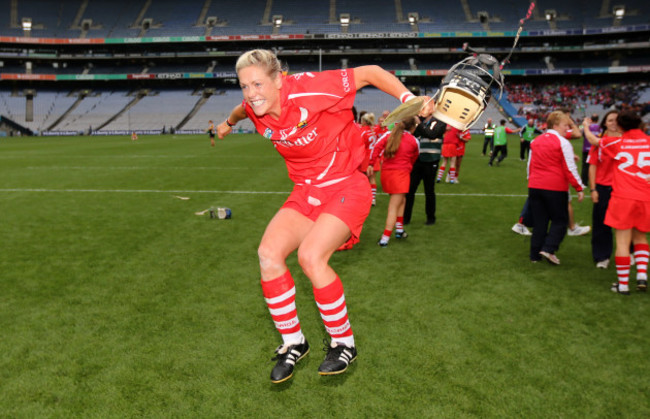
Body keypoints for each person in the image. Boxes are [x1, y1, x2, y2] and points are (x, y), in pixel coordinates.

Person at [216, 49, 434, 383]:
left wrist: (408, 97)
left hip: (347, 184)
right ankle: (293, 342)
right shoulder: (253, 107)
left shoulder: (308, 88)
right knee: (268, 254)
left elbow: (369, 71)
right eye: (244, 85)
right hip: (306, 191)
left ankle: (344, 342)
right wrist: (227, 124)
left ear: (279, 79)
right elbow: (241, 110)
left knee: (311, 257)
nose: (251, 93)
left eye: (258, 84)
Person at [583, 110, 650, 295]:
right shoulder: (648, 141)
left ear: (620, 126)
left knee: (622, 241)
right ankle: (642, 277)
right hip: (645, 197)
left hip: (623, 197)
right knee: (640, 237)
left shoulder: (616, 142)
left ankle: (623, 285)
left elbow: (593, 140)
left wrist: (586, 127)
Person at [527, 111, 585, 264]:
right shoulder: (563, 142)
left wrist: (531, 180)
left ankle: (535, 255)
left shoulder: (535, 141)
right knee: (560, 220)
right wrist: (579, 187)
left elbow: (530, 165)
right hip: (554, 187)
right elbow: (570, 168)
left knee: (540, 221)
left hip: (535, 186)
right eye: (565, 125)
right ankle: (548, 248)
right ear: (556, 125)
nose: (568, 128)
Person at [370, 116, 420, 246]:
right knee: (393, 207)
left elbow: (376, 148)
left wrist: (371, 163)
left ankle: (399, 229)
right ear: (413, 128)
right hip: (401, 175)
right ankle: (384, 239)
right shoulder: (414, 140)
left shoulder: (389, 135)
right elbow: (414, 158)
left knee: (402, 200)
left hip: (387, 174)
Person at [585, 110, 620, 269]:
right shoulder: (599, 143)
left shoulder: (629, 142)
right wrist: (593, 189)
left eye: (617, 120)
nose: (614, 123)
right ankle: (602, 256)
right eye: (610, 120)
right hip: (603, 188)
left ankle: (629, 252)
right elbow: (592, 167)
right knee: (601, 224)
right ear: (605, 123)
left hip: (624, 188)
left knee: (626, 224)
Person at [403, 114, 446, 225]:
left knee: (429, 191)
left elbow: (432, 134)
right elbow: (413, 134)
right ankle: (405, 218)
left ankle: (431, 218)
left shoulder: (440, 122)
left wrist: (419, 124)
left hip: (431, 160)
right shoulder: (420, 121)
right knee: (410, 190)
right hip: (417, 160)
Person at [359, 113, 379, 205]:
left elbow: (360, 145)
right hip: (374, 156)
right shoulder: (374, 130)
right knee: (372, 178)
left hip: (366, 157)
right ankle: (373, 199)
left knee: (364, 178)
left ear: (364, 121)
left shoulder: (363, 131)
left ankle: (365, 197)